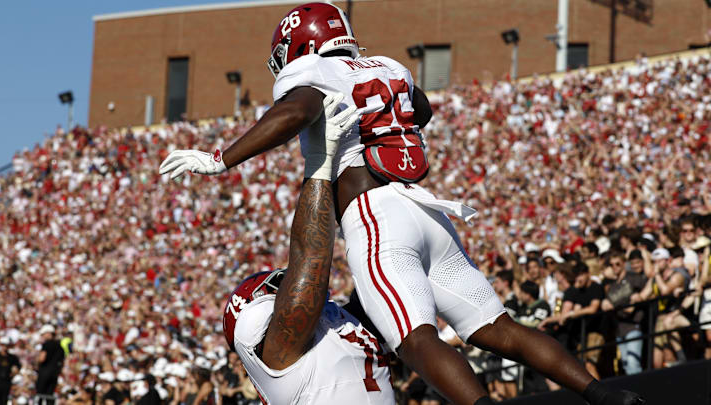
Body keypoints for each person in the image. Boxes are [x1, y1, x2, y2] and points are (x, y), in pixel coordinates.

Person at [161, 4, 645, 404]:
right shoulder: (389, 66)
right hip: (426, 208)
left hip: (377, 216)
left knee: (416, 338)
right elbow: (421, 109)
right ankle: (600, 393)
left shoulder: (314, 72)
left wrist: (221, 159)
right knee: (498, 328)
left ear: (302, 48)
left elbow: (294, 111)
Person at [220, 94, 396, 404]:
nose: (290, 280)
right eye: (281, 284)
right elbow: (310, 258)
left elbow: (384, 270)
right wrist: (319, 160)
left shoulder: (337, 324)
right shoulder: (276, 351)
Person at [601, 250, 648, 375]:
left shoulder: (633, 278)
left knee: (633, 363)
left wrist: (614, 305)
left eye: (618, 264)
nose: (615, 267)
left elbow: (632, 305)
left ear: (624, 264)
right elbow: (607, 305)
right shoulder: (611, 286)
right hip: (619, 329)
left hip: (633, 325)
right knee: (626, 364)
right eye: (612, 265)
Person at [36, 325, 65, 404]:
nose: (43, 336)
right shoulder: (60, 346)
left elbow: (42, 358)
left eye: (44, 334)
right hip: (54, 374)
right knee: (50, 395)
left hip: (45, 373)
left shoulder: (46, 344)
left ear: (49, 333)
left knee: (40, 394)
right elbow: (62, 362)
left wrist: (37, 362)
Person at [0, 336, 21, 405]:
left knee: (4, 400)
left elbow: (18, 367)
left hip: (7, 380)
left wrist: (13, 373)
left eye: (7, 345)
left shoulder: (12, 357)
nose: (5, 347)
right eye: (3, 345)